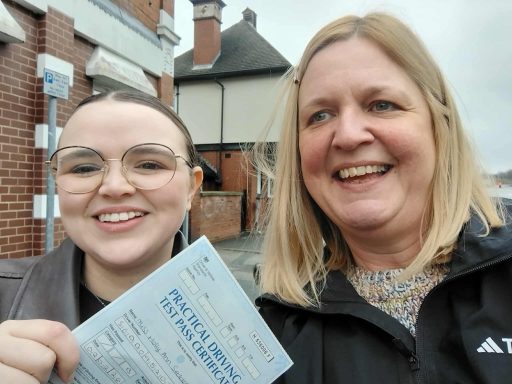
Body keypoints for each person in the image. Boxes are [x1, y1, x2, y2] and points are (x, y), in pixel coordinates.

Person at [254, 12, 512, 383]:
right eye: (320, 115)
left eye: (381, 105)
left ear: (439, 125)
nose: (348, 135)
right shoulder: (271, 338)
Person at [0, 89, 203, 383]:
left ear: (191, 188)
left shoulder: (270, 332)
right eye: (84, 168)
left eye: (149, 164)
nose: (114, 186)